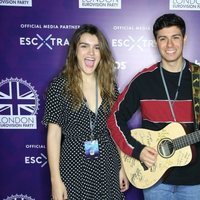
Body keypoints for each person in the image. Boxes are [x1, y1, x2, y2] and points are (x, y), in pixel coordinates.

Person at [107, 13, 200, 200]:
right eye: (163, 39)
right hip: (154, 179)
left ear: (185, 39)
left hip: (195, 181)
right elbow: (114, 119)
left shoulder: (198, 78)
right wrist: (137, 150)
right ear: (156, 42)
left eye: (175, 37)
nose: (170, 45)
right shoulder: (143, 80)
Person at [42, 24, 129, 200]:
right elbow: (53, 135)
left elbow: (116, 128)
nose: (91, 53)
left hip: (108, 164)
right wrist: (55, 181)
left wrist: (123, 167)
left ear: (102, 53)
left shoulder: (109, 86)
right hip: (73, 166)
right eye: (84, 46)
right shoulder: (60, 85)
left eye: (96, 48)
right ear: (75, 51)